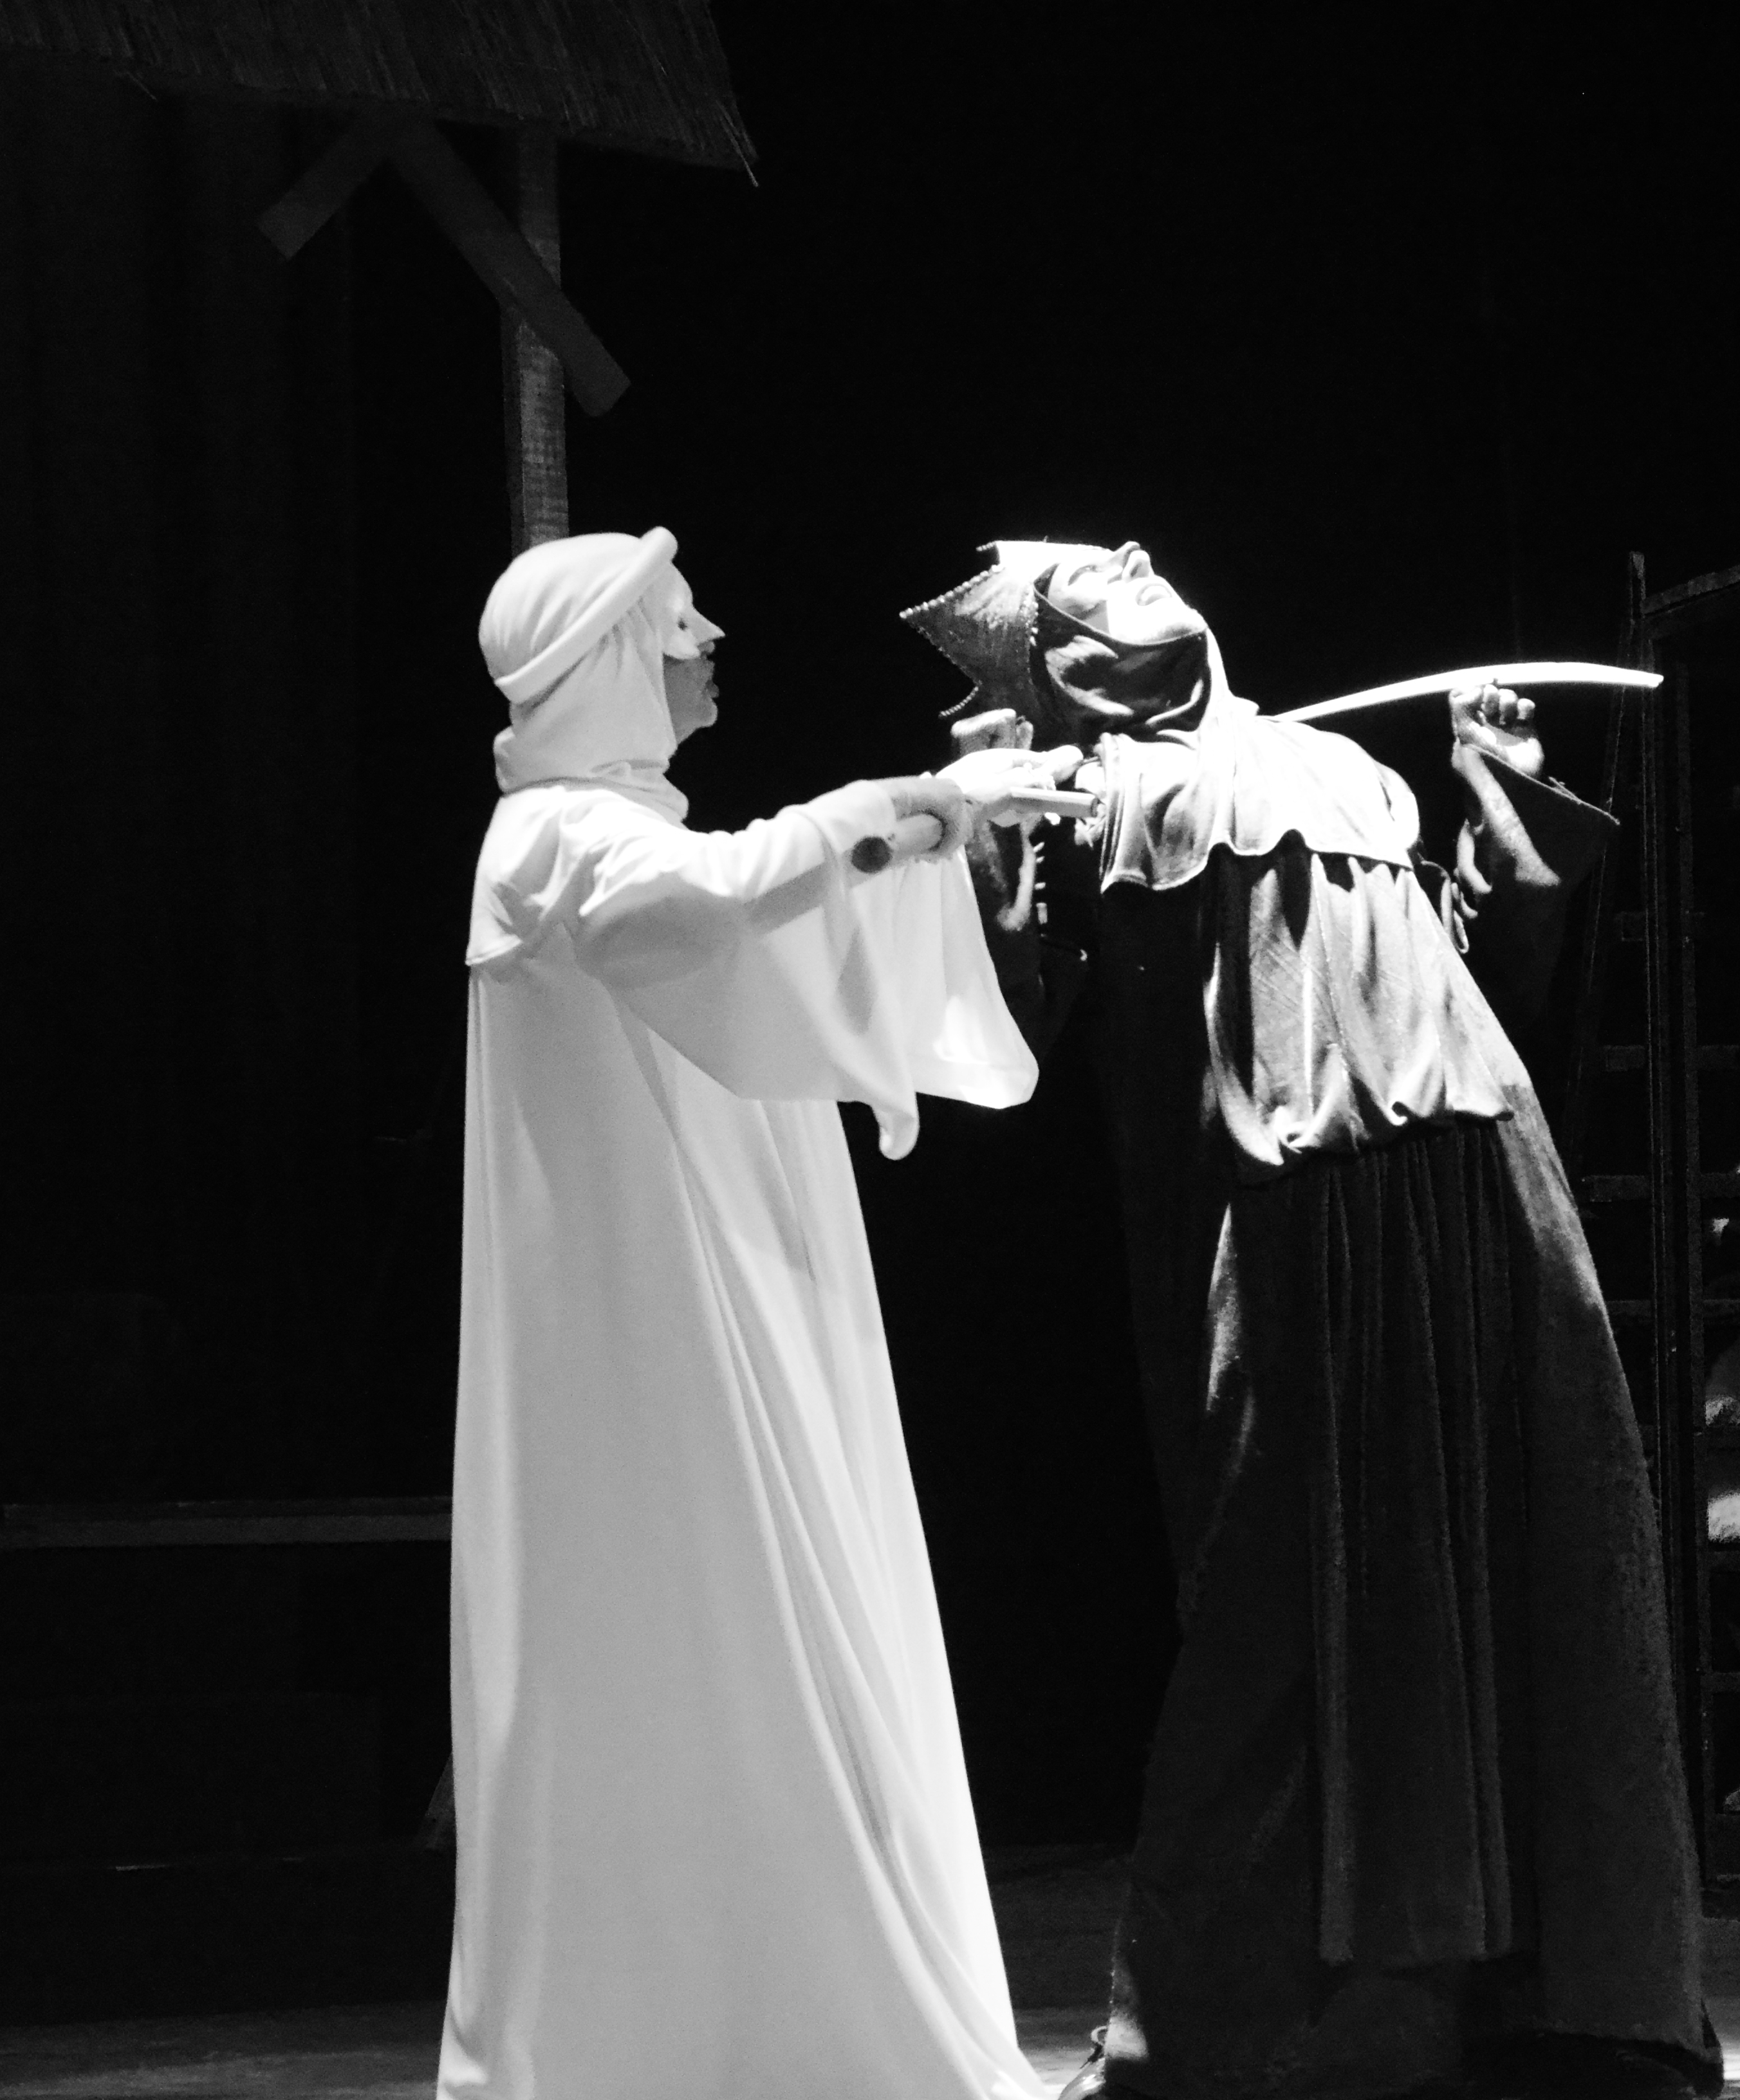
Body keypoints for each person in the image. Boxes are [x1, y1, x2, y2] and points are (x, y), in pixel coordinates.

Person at [903, 542, 1719, 2100]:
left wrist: (1498, 786)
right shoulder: (1079, 796)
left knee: (1534, 1563)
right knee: (1288, 1607)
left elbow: (1477, 967)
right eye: (1089, 573)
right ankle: (1243, 2029)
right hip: (1287, 1224)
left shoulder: (1336, 766)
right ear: (1059, 660)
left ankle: (1557, 2011)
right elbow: (1002, 1031)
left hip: (1480, 1184)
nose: (1135, 560)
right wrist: (980, 833)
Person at [441, 528, 1075, 2100]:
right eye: (678, 621)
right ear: (606, 661)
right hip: (653, 1313)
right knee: (704, 1601)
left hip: (712, 1266)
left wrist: (936, 830)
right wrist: (916, 802)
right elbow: (713, 906)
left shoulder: (598, 832)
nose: (712, 634)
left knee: (765, 1587)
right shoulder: (557, 838)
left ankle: (774, 1995)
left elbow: (754, 916)